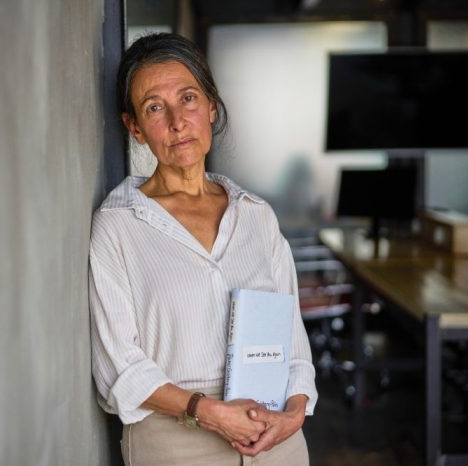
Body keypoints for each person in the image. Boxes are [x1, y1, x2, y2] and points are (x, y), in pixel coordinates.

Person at [89, 33, 317, 465]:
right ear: (135, 128)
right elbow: (118, 365)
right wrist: (209, 412)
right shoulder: (118, 226)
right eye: (155, 108)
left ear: (211, 106)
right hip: (176, 442)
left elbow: (293, 339)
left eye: (188, 98)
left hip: (276, 435)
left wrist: (295, 413)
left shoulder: (256, 216)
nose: (177, 121)